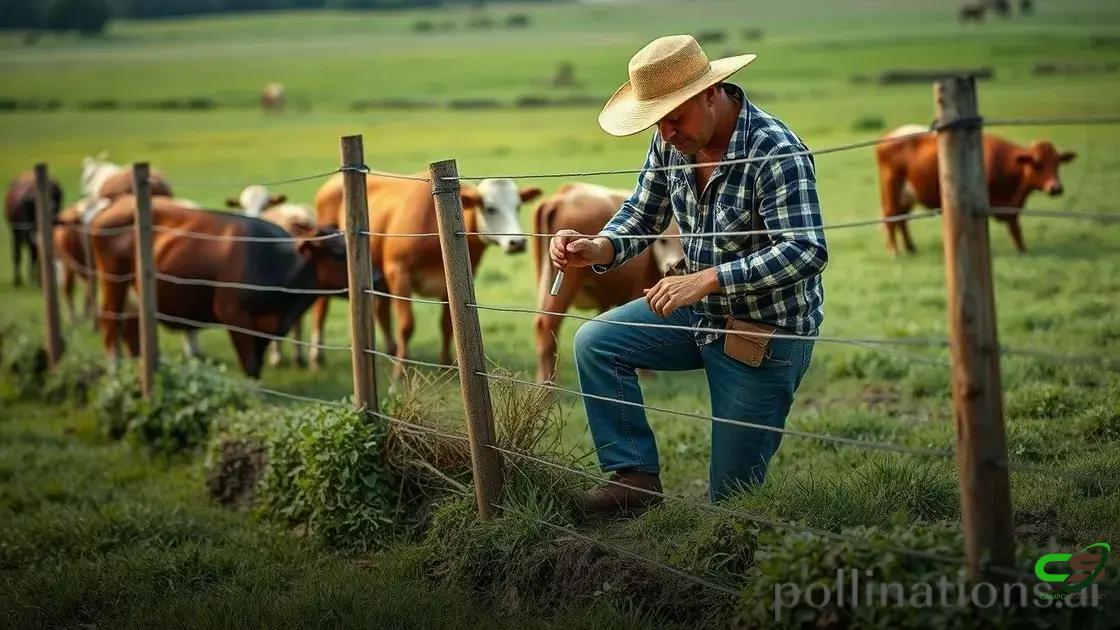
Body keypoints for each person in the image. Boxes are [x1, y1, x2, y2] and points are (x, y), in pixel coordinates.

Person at [549, 35, 827, 516]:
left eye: (674, 117)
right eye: (657, 122)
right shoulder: (672, 142)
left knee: (730, 504)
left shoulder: (774, 150)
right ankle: (634, 480)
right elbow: (642, 213)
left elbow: (806, 251)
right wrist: (599, 246)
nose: (667, 132)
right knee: (595, 343)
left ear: (710, 93)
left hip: (763, 333)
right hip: (698, 313)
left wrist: (707, 278)